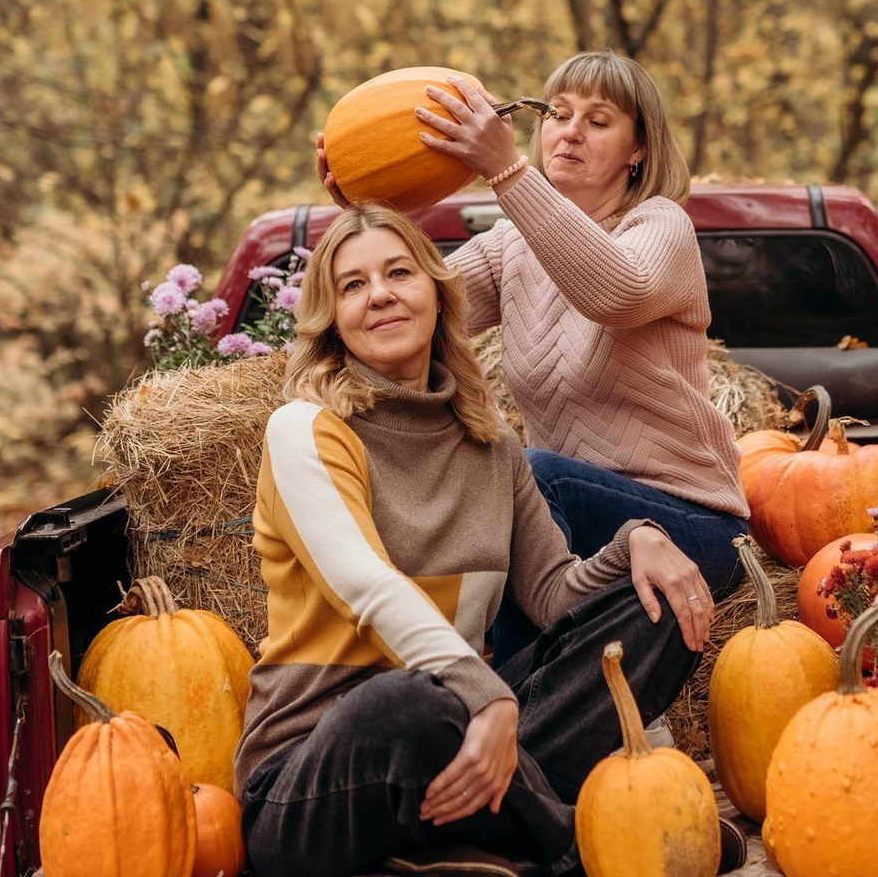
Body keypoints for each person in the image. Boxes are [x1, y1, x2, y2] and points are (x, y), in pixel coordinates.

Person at [234, 202, 742, 877]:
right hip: (313, 783)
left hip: (472, 746)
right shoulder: (305, 430)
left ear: (439, 297)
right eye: (353, 285)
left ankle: (464, 841)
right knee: (408, 701)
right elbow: (367, 585)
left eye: (397, 273)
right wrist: (490, 696)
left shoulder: (491, 446)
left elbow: (555, 595)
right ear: (332, 319)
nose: (379, 293)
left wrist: (634, 542)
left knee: (659, 608)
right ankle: (583, 846)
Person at [317, 51, 750, 666]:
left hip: (689, 522)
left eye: (597, 121)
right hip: (576, 533)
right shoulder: (512, 243)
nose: (569, 131)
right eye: (558, 113)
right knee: (503, 472)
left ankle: (507, 703)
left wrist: (505, 170)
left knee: (529, 473)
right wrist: (366, 216)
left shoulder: (661, 228)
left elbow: (615, 292)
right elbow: (411, 311)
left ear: (639, 150)